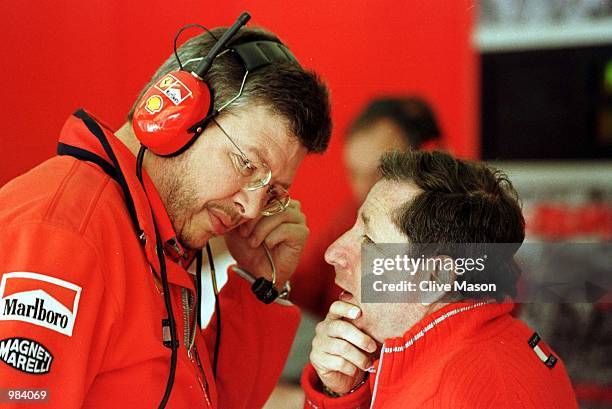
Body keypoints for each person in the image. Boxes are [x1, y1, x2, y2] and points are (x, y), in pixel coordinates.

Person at [0, 21, 331, 408]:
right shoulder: (67, 234)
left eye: (272, 192)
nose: (252, 208)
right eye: (246, 165)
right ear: (176, 115)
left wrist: (259, 283)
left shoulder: (153, 236)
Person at [301, 150, 578, 408]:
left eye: (369, 242)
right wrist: (342, 394)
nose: (333, 253)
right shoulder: (482, 352)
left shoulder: (457, 395)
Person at [292, 97, 442, 317]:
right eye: (355, 173)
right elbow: (304, 292)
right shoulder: (348, 218)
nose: (363, 190)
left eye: (379, 173)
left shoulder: (463, 230)